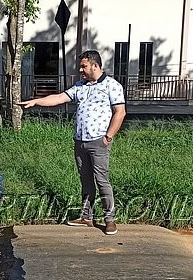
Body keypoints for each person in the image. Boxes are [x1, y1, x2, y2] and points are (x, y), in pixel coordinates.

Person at [17, 50, 126, 235]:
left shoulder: (111, 85)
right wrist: (36, 101)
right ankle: (86, 217)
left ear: (95, 66)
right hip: (80, 142)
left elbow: (120, 112)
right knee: (86, 180)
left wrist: (108, 137)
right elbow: (59, 97)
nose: (80, 70)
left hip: (99, 141)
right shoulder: (80, 86)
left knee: (102, 181)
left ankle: (109, 219)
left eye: (84, 66)